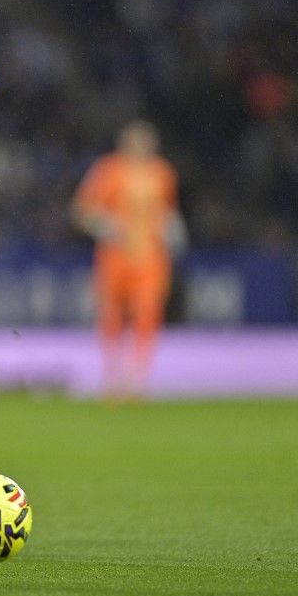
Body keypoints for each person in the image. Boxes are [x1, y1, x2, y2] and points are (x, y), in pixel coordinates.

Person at [71, 120, 186, 402]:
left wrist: (174, 232)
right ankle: (112, 375)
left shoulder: (162, 173)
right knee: (112, 317)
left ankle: (138, 378)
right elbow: (82, 211)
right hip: (115, 257)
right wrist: (107, 228)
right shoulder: (108, 170)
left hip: (151, 258)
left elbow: (167, 212)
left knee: (147, 314)